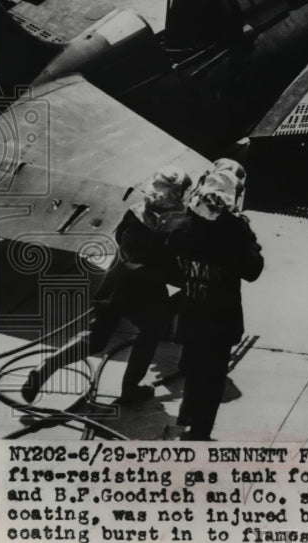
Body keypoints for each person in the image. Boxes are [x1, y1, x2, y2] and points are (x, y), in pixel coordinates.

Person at [22, 167, 191, 405]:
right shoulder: (180, 223)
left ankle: (47, 366)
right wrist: (184, 281)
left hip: (117, 282)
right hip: (147, 290)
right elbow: (174, 263)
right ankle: (130, 389)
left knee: (97, 336)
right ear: (178, 193)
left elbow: (119, 237)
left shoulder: (136, 210)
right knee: (150, 333)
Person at [168, 160, 263, 440]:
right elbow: (253, 270)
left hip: (190, 311)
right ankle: (199, 432)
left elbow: (170, 259)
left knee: (192, 368)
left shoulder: (183, 222)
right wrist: (249, 239)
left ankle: (187, 415)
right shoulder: (234, 230)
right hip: (220, 320)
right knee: (212, 379)